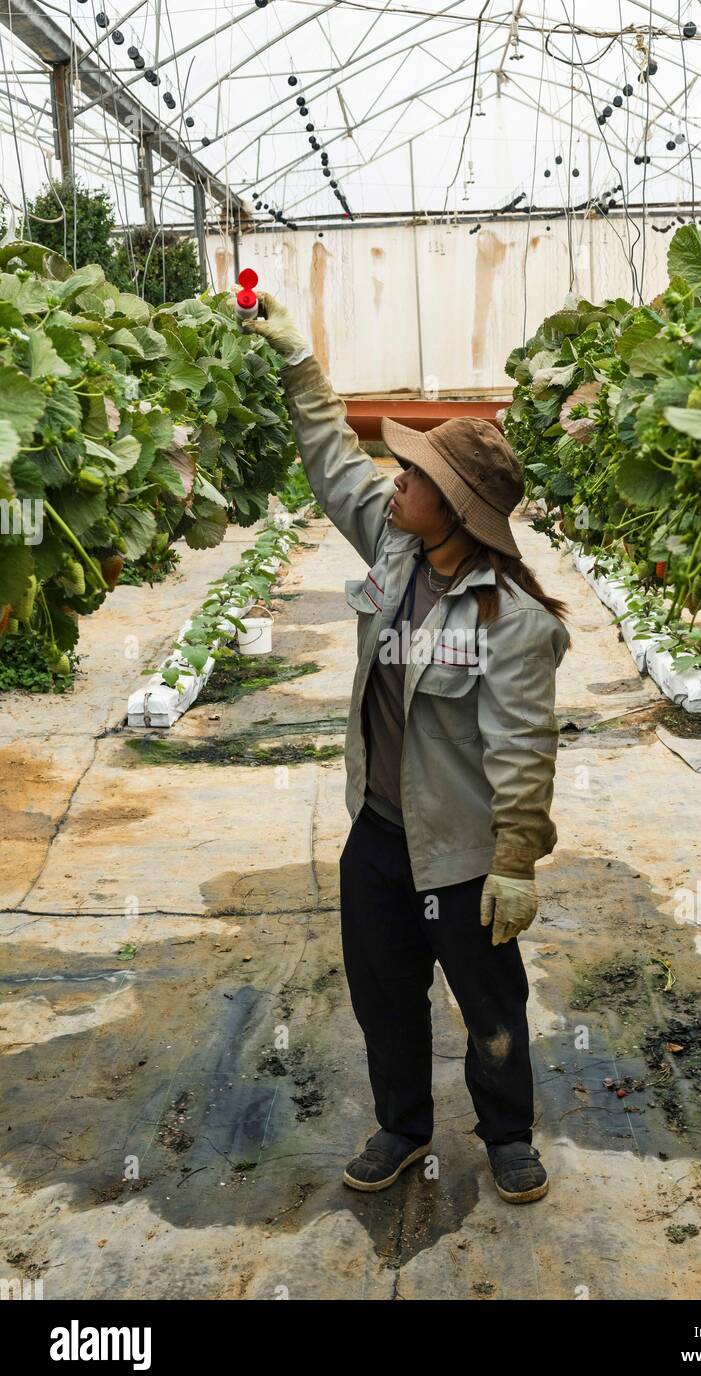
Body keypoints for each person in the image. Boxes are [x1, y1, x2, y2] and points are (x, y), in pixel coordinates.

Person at [246, 293, 571, 1204]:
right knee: (384, 997)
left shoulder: (514, 623)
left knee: (491, 1008)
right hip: (380, 836)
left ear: (456, 508)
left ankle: (508, 1136)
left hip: (463, 856)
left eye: (414, 474)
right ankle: (401, 1126)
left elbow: (523, 749)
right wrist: (300, 365)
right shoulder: (394, 547)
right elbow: (331, 460)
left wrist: (516, 861)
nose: (395, 480)